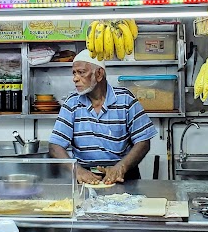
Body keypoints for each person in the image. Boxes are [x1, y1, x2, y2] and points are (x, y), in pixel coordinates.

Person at [48, 49, 157, 184]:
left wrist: (120, 168)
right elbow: (55, 146)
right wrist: (77, 170)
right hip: (86, 177)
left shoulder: (125, 99)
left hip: (123, 175)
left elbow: (143, 142)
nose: (75, 78)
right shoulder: (71, 103)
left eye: (81, 72)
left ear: (99, 74)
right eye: (74, 73)